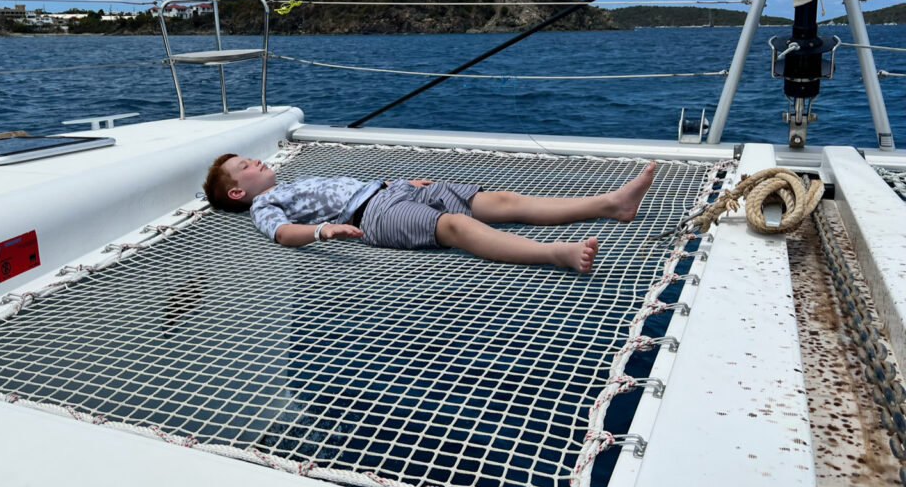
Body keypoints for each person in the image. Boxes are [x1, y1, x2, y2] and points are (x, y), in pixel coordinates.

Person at [202, 154, 656, 274]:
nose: (258, 162)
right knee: (456, 227)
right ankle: (553, 254)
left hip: (390, 189)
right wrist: (323, 231)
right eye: (247, 166)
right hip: (371, 216)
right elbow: (281, 234)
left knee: (500, 201)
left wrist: (404, 183)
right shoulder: (264, 203)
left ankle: (610, 204)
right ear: (240, 191)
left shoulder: (294, 180)